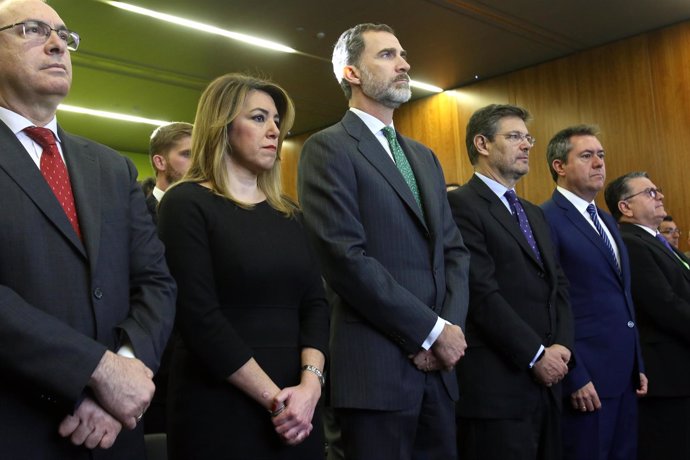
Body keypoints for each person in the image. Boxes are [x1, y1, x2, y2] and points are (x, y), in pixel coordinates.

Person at [0, 0, 176, 458]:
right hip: (19, 428)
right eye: (33, 30)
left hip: (116, 432)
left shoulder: (112, 167)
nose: (59, 44)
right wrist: (94, 372)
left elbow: (155, 282)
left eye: (64, 35)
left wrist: (126, 370)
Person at [298, 22, 470, 460]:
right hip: (376, 372)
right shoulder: (328, 148)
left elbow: (453, 253)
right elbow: (345, 259)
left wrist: (447, 332)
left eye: (403, 54)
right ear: (351, 73)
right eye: (388, 55)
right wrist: (429, 333)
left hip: (440, 374)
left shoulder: (425, 157)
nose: (405, 64)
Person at [158, 73, 329, 460]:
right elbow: (198, 317)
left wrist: (310, 388)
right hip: (222, 403)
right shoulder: (185, 204)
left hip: (299, 408)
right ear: (222, 126)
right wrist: (277, 402)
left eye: (276, 121)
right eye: (258, 118)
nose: (274, 130)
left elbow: (316, 304)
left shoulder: (290, 213)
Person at [448, 104, 573, 460]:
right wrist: (536, 355)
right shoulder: (460, 205)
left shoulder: (532, 211)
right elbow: (482, 294)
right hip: (497, 388)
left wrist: (563, 345)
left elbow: (559, 285)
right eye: (515, 137)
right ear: (482, 144)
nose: (527, 145)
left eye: (528, 138)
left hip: (549, 383)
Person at [541, 126, 646, 460]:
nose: (599, 163)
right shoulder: (546, 218)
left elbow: (621, 297)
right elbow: (553, 302)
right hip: (587, 378)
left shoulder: (604, 218)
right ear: (559, 166)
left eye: (601, 155)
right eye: (587, 156)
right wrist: (575, 375)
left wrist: (637, 362)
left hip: (624, 374)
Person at [604, 172, 690, 460]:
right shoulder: (631, 242)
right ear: (625, 207)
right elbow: (664, 304)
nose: (660, 196)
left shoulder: (658, 242)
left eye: (659, 190)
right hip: (666, 375)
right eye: (650, 193)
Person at [146, 121, 192, 223]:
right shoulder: (138, 215)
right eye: (188, 154)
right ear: (160, 162)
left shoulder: (206, 212)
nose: (198, 163)